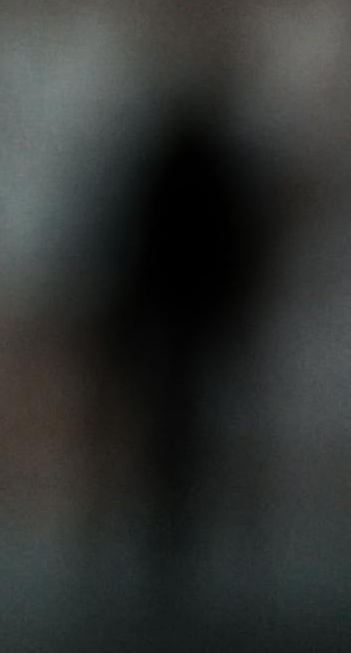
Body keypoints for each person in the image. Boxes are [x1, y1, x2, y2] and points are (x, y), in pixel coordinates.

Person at [79, 78, 288, 600]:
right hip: (194, 315)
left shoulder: (167, 167)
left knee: (170, 429)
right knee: (188, 430)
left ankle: (167, 531)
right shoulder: (211, 170)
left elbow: (133, 242)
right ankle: (181, 531)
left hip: (176, 316)